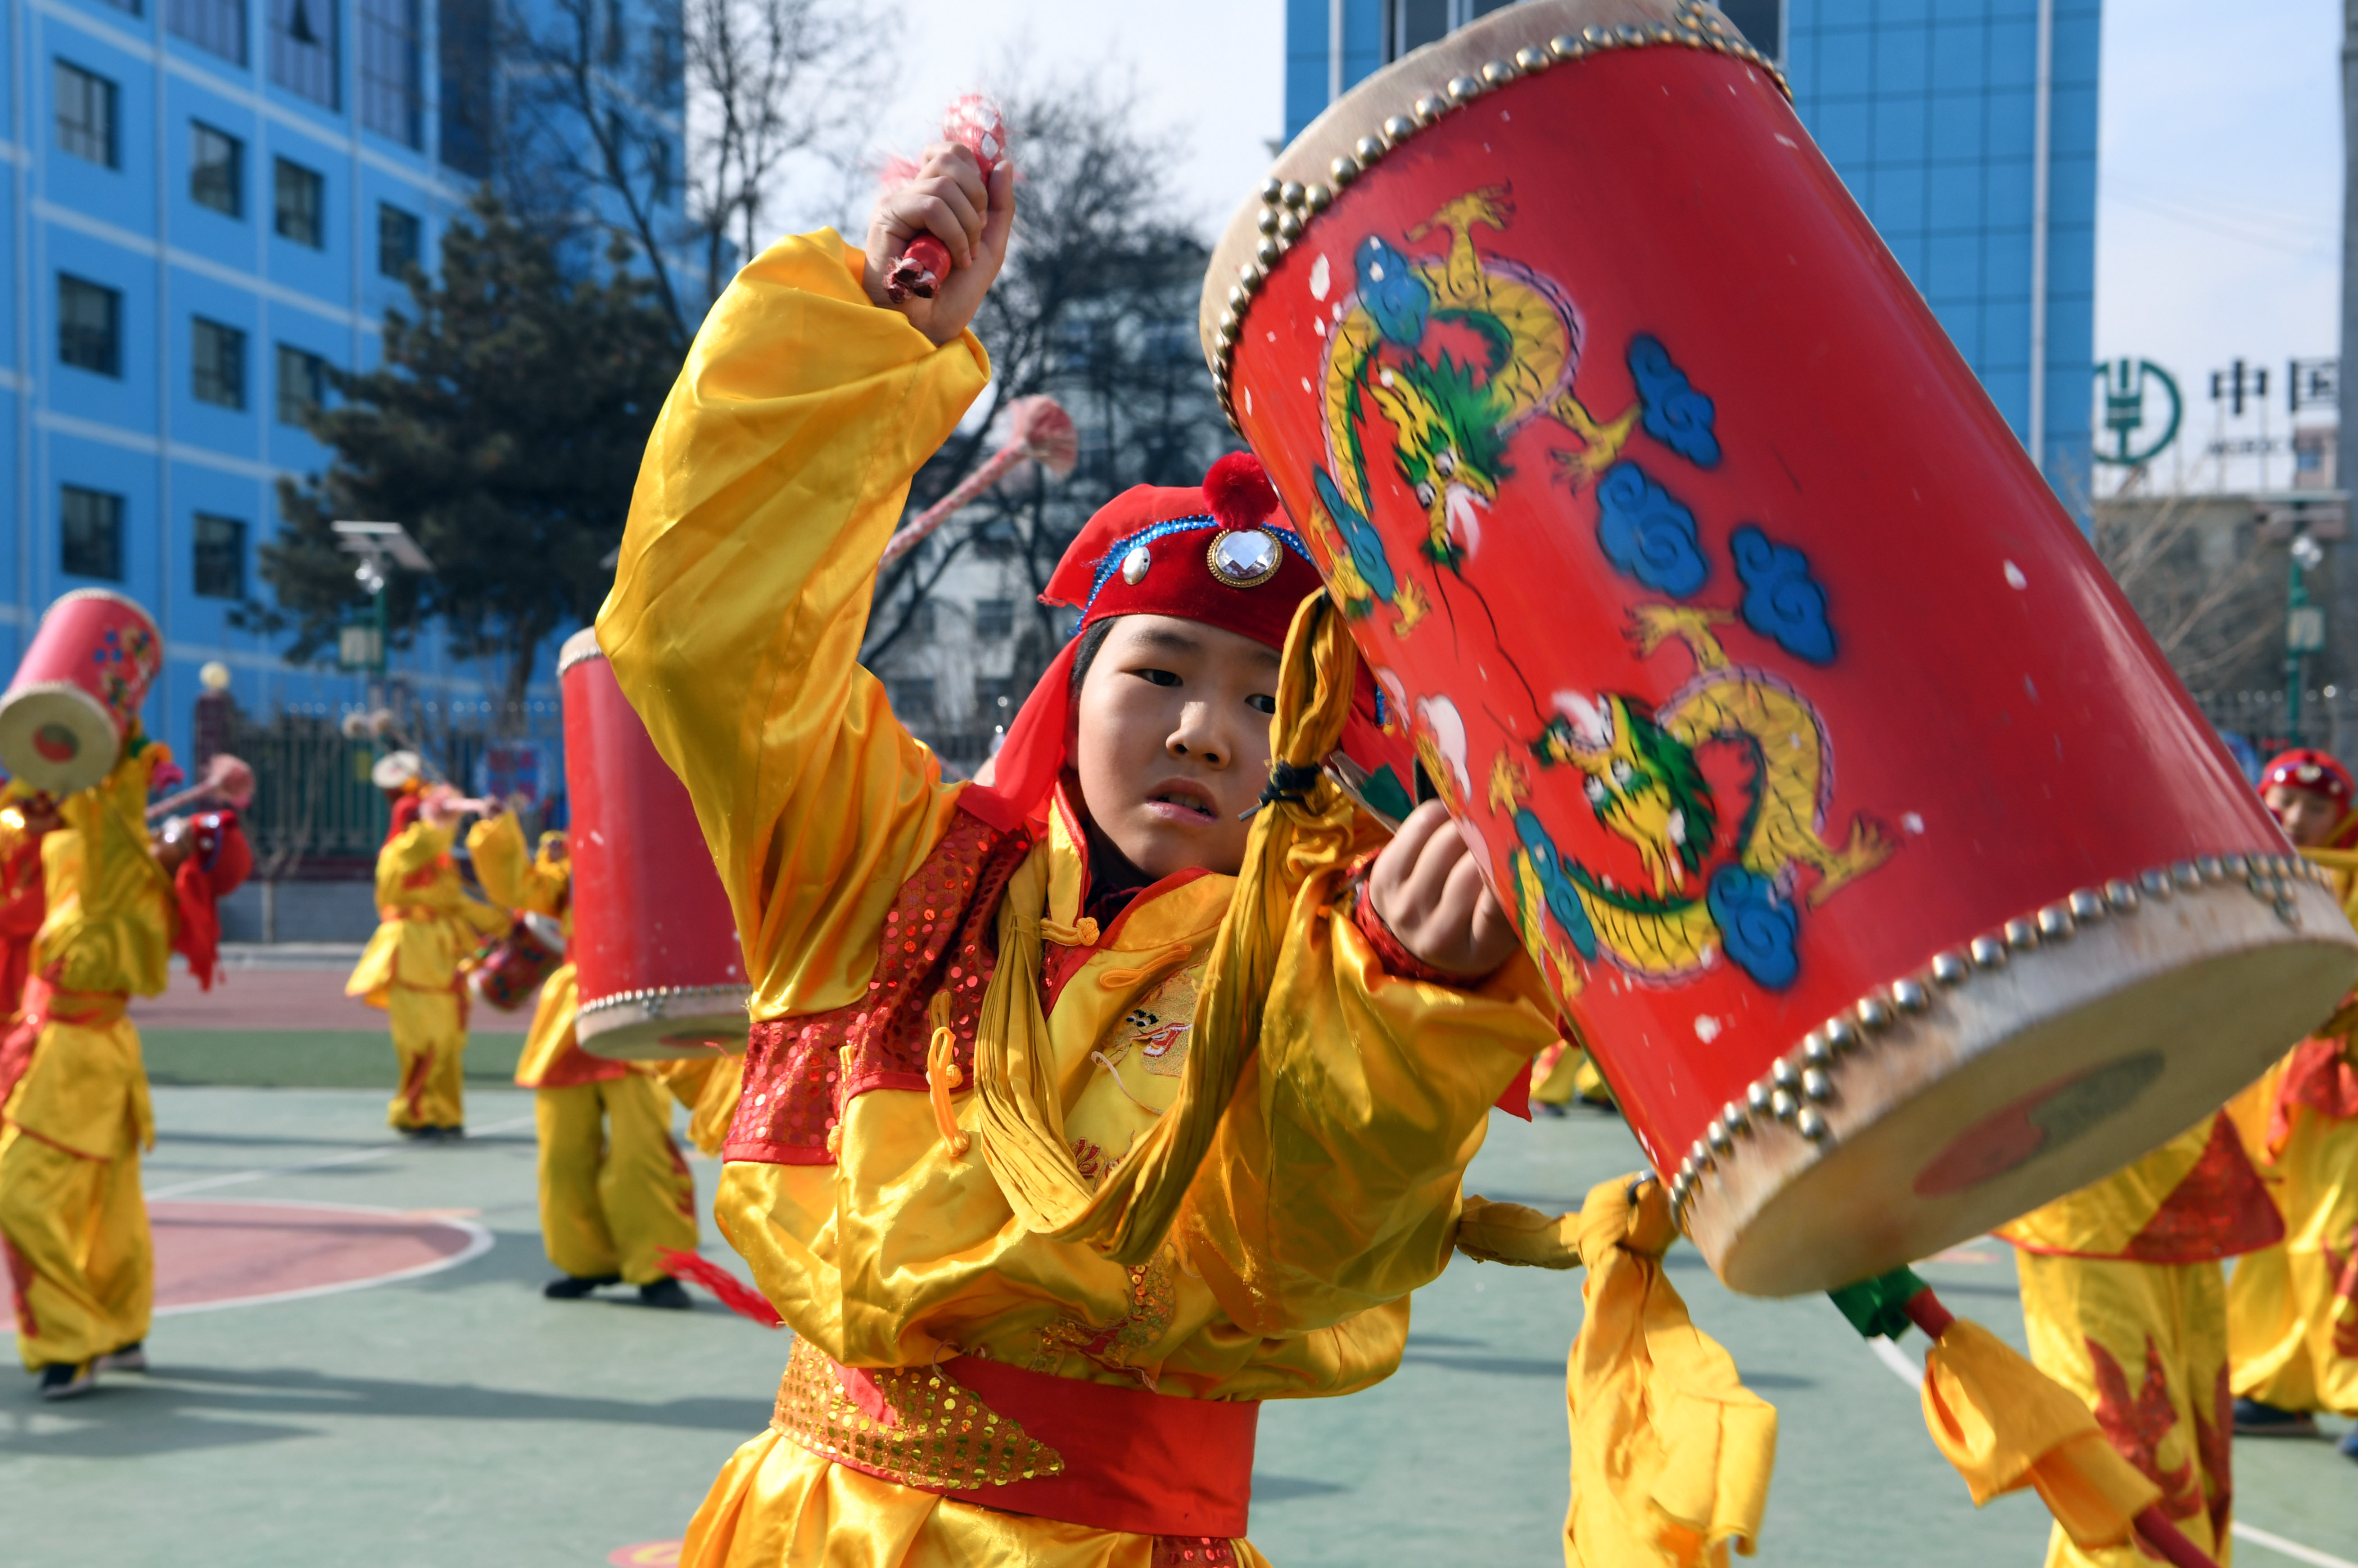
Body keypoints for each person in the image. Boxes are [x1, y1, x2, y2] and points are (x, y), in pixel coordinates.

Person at [601, 138, 1553, 1566]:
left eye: (1263, 701)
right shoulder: (880, 873)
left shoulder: (1329, 967)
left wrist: (1417, 1011)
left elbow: (1298, 1248)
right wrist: (870, 339)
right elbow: (704, 643)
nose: (1209, 735)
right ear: (1072, 687)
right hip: (809, 1532)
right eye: (1160, 675)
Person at [0, 739, 250, 1398]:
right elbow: (65, 835)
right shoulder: (118, 876)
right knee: (108, 1209)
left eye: (176, 833)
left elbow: (106, 816)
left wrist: (121, 738)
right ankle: (119, 1331)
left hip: (70, 1064)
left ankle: (69, 1342)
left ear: (181, 862)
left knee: (17, 1195)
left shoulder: (127, 891)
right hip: (94, 1057)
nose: (161, 828)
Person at [465, 808, 697, 1307]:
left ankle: (657, 1270)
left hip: (640, 1006)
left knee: (643, 1154)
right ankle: (585, 1262)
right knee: (562, 1156)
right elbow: (518, 889)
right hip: (572, 1013)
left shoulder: (680, 847)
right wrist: (492, 827)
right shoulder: (570, 857)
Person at [2227, 747, 2358, 1460]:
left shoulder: (2350, 876)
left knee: (2338, 1238)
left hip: (2347, 1085)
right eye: (2282, 805)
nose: (2295, 820)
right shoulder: (2252, 870)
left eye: (2315, 807)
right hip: (2291, 1089)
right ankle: (2276, 1386)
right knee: (2276, 1236)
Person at [345, 780, 507, 1140]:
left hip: (444, 959)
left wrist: (508, 923)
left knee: (449, 1042)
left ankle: (446, 1116)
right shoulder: (399, 853)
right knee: (420, 1043)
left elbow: (459, 904)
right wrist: (453, 810)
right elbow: (425, 842)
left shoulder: (437, 864)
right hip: (410, 959)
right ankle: (414, 1114)